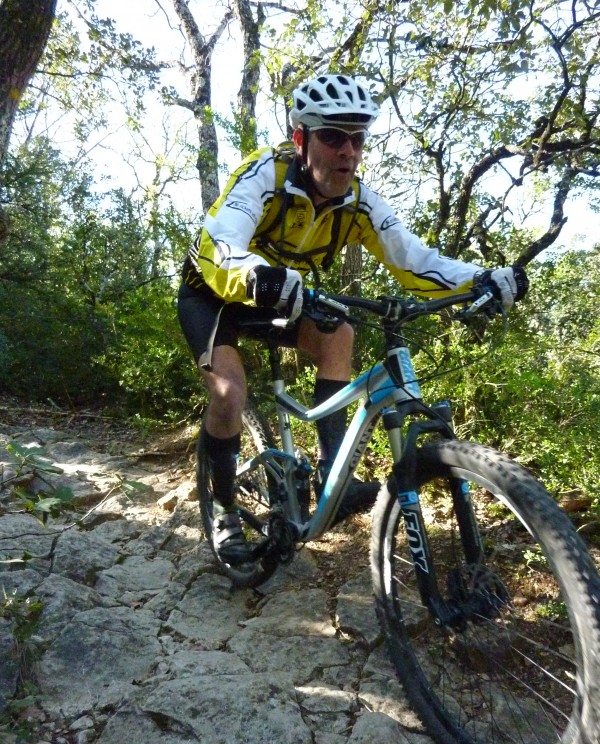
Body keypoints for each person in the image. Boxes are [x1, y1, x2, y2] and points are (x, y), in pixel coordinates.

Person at [177, 73, 528, 563]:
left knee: (339, 331)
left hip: (282, 296)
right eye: (333, 136)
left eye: (358, 138)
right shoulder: (264, 176)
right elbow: (219, 244)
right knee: (229, 393)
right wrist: (259, 277)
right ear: (301, 139)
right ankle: (226, 510)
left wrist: (483, 278)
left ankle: (330, 472)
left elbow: (416, 263)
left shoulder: (359, 203)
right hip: (214, 291)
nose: (348, 150)